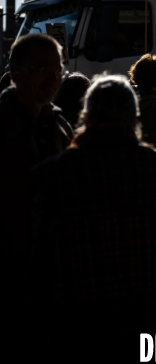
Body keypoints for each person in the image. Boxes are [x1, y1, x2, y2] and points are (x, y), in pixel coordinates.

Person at [30, 74, 156, 359]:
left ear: (86, 117)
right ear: (134, 119)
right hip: (146, 314)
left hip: (77, 318)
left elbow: (38, 253)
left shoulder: (52, 174)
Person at [0, 33, 73, 355]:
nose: (53, 78)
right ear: (16, 73)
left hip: (52, 277)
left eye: (58, 71)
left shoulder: (59, 126)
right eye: (43, 69)